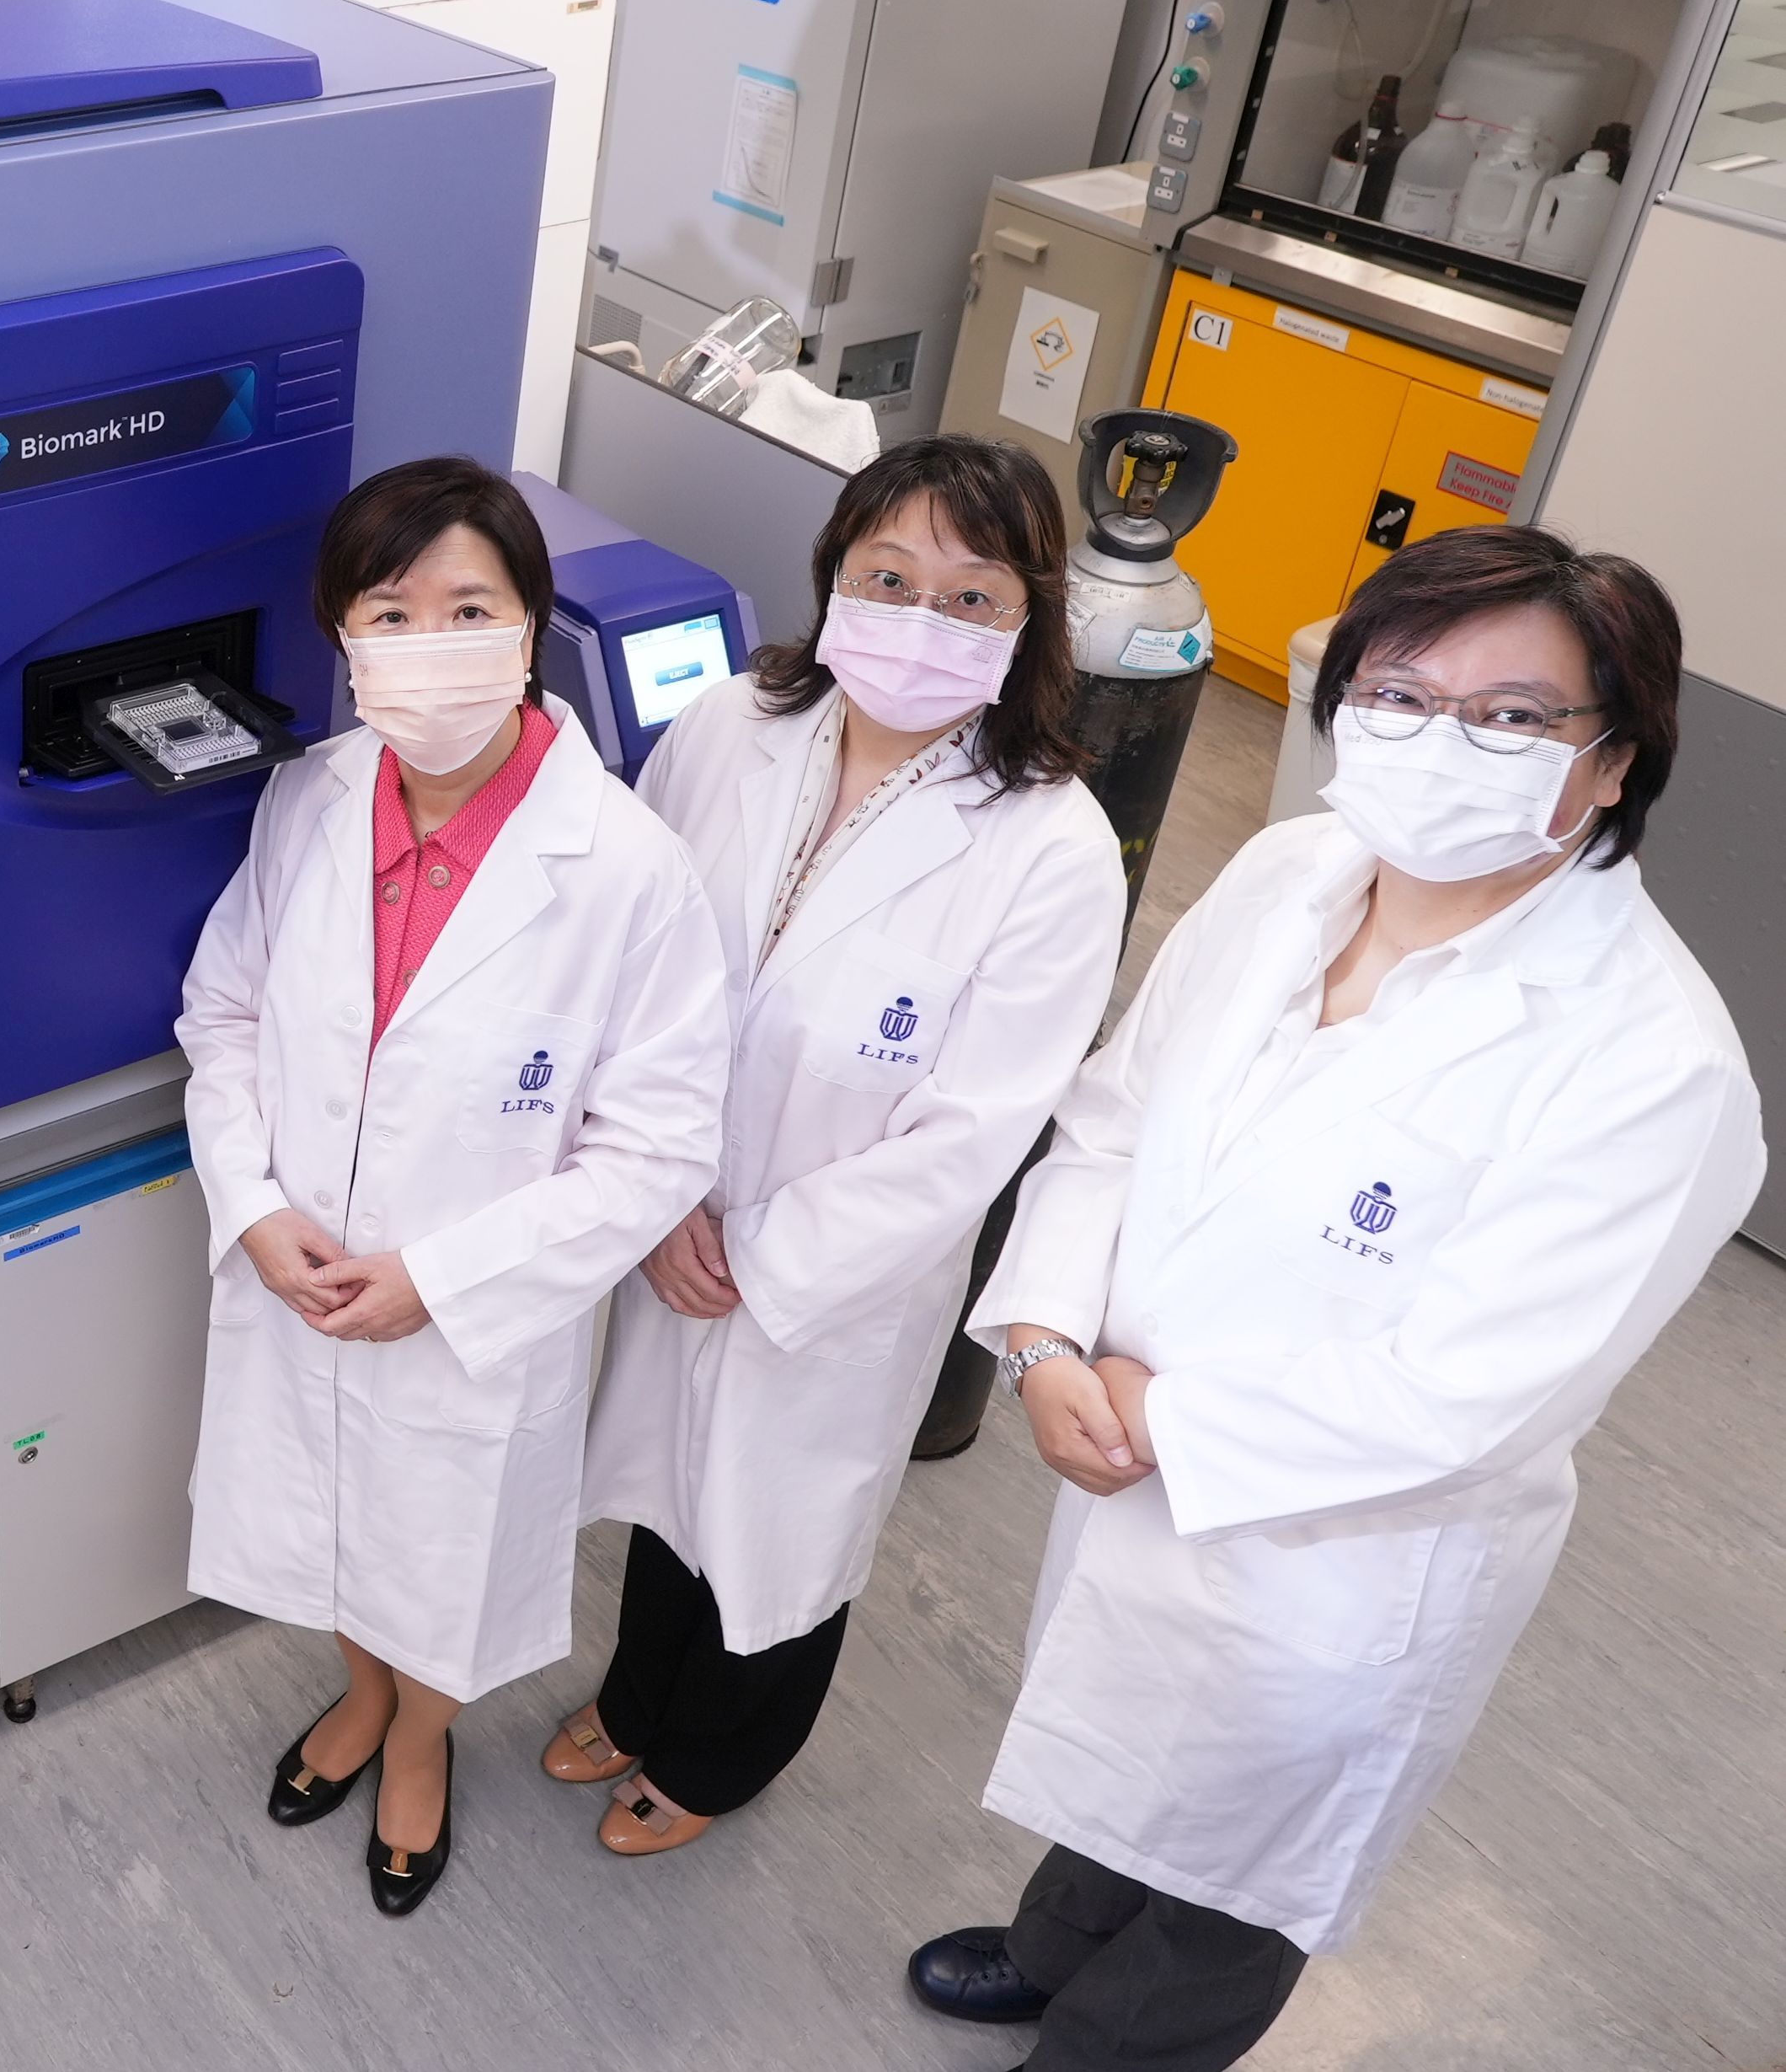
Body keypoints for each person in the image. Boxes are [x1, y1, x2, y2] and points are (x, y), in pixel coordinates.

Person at [907, 524, 1762, 2071]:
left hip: (1336, 1560)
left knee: (1237, 1857)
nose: (1442, 740)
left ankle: (1116, 2049)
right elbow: (1115, 1116)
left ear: (1613, 763)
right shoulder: (1287, 873)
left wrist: (1161, 1420)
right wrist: (1040, 1339)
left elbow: (1474, 1396)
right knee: (1118, 1750)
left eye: (1512, 716)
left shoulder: (1656, 1063)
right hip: (1115, 1441)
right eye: (1401, 694)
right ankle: (1054, 1954)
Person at [178, 454, 731, 1917]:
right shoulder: (310, 798)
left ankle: (417, 1737)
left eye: (469, 608)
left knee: (441, 1546)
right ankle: (361, 1695)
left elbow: (658, 1149)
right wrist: (252, 1207)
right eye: (390, 612)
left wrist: (441, 1280)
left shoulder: (629, 871)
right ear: (344, 637)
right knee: (333, 1521)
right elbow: (223, 1012)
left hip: (476, 1313)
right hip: (302, 1270)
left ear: (532, 621)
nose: (429, 644)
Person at [559, 435, 1126, 1857]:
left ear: (1028, 620)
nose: (922, 618)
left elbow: (977, 1131)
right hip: (673, 1201)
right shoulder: (731, 725)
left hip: (835, 1270)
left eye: (971, 596)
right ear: (834, 576)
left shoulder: (1053, 846)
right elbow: (629, 953)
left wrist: (756, 1253)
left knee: (779, 1526)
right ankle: (635, 1698)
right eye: (889, 577)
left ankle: (718, 1758)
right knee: (664, 1487)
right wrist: (659, 1196)